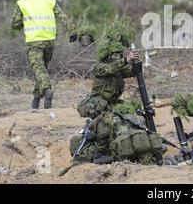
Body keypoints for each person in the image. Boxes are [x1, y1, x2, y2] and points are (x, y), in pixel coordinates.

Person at [70, 17, 164, 165]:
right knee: (108, 122)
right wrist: (126, 60)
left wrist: (136, 64)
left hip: (113, 103)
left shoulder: (119, 68)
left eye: (119, 54)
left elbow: (130, 72)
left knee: (134, 116)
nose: (117, 57)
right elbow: (110, 68)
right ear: (108, 55)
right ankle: (99, 153)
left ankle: (143, 144)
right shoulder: (100, 66)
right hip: (97, 104)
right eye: (115, 55)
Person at [10, 0, 77, 109]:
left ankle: (47, 90)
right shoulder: (50, 0)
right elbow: (62, 16)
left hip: (34, 42)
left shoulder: (23, 3)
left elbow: (14, 24)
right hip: (49, 41)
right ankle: (36, 100)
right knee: (42, 70)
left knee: (38, 69)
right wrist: (72, 31)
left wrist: (24, 21)